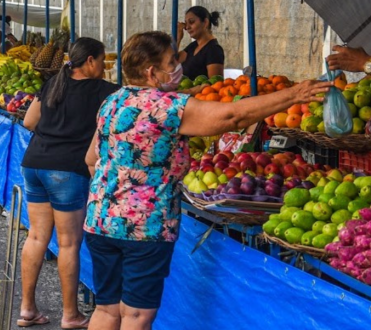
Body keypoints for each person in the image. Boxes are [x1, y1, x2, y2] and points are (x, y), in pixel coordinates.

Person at [82, 31, 330, 330]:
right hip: (143, 229)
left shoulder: (112, 101)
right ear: (151, 71)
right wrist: (293, 95)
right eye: (171, 61)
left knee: (108, 310)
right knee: (137, 315)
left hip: (100, 220)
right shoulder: (166, 107)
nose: (178, 67)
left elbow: (91, 159)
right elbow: (232, 117)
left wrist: (116, 197)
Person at [18, 37, 118, 329]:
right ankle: (71, 315)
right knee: (69, 243)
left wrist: (55, 128)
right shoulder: (104, 91)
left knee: (36, 236)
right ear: (90, 61)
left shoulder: (53, 83)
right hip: (67, 170)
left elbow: (29, 121)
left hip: (34, 162)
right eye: (101, 61)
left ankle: (27, 310)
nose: (103, 66)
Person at [176, 6, 224, 78]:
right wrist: (178, 38)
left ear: (205, 22)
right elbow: (172, 61)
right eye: (186, 24)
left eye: (191, 22)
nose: (187, 27)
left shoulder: (214, 50)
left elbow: (215, 84)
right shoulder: (193, 46)